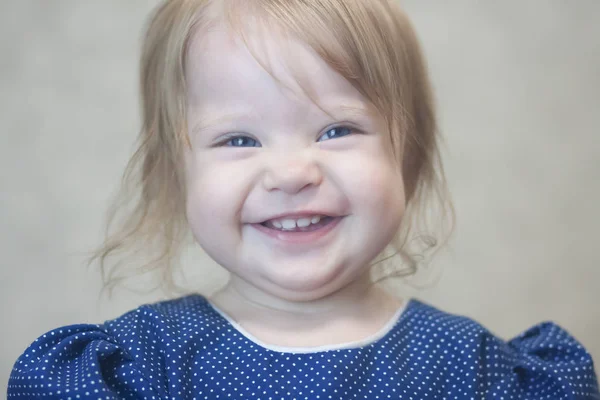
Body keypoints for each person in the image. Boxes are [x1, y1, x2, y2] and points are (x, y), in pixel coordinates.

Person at [8, 0, 599, 399]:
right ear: (176, 176)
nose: (291, 172)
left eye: (336, 130)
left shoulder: (474, 370)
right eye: (238, 138)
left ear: (406, 158)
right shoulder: (136, 372)